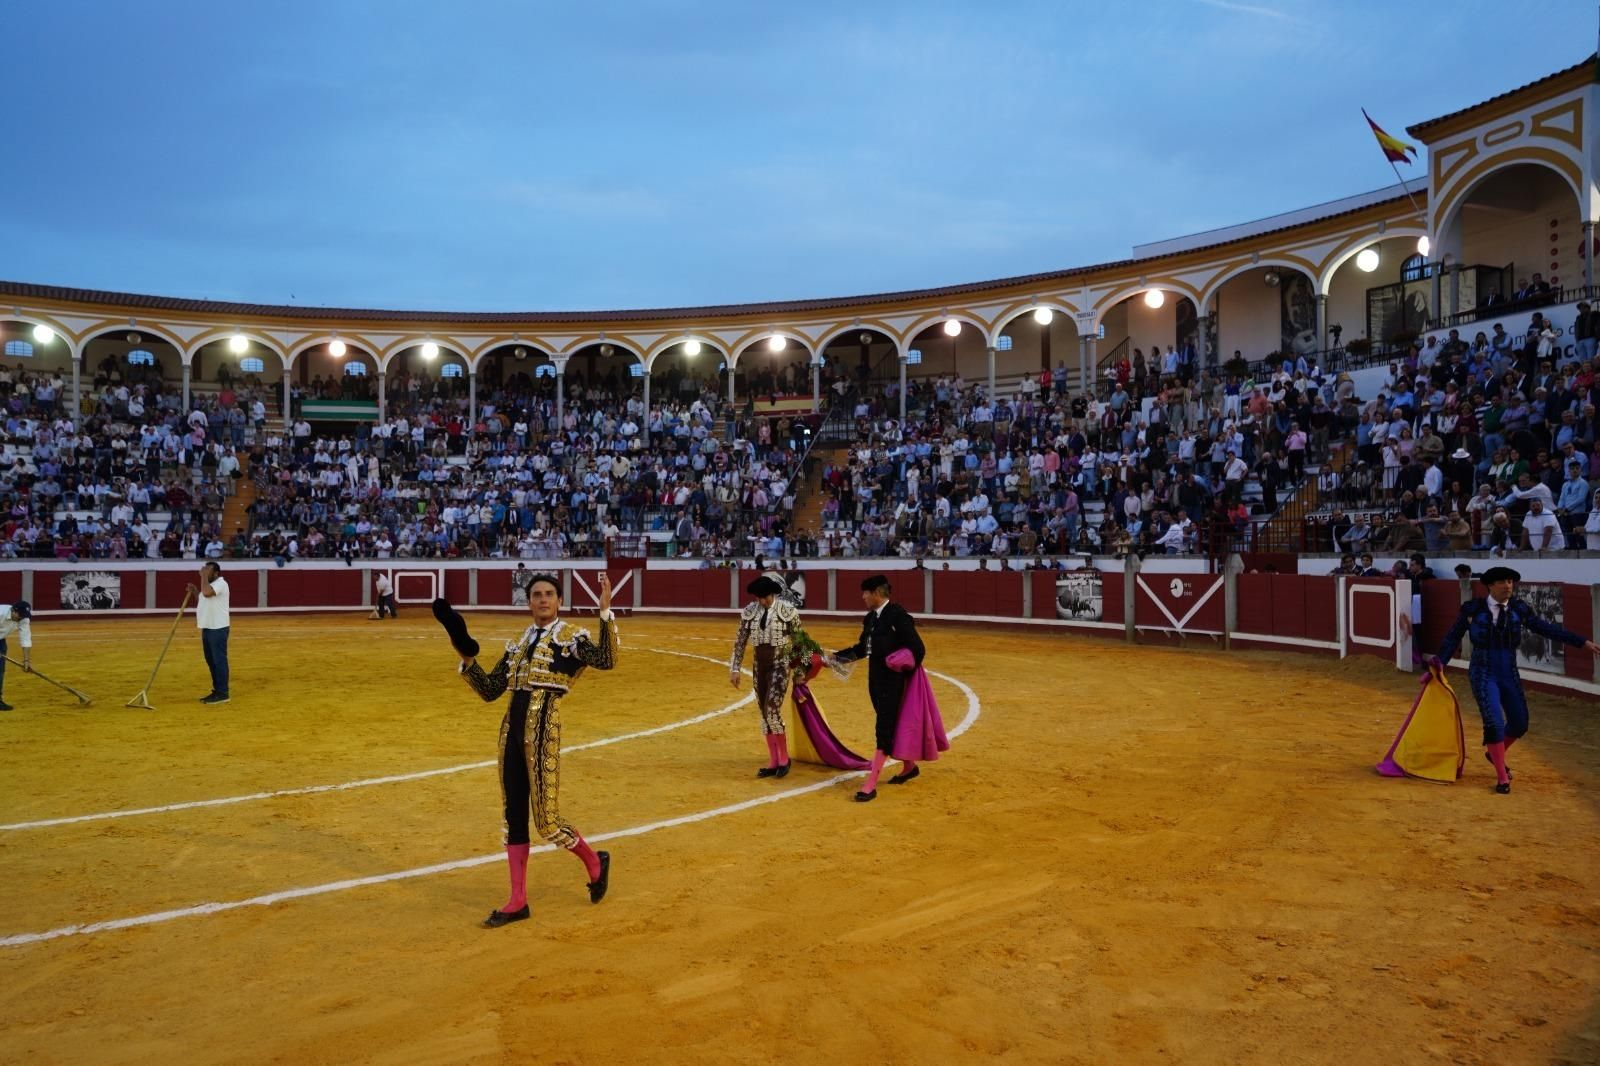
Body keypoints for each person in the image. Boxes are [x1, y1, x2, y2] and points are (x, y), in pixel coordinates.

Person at [456, 572, 616, 927]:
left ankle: (594, 861)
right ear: (528, 602)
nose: (542, 600)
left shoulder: (572, 638)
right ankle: (518, 901)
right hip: (510, 731)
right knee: (513, 814)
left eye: (549, 594)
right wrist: (468, 661)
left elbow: (607, 659)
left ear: (559, 601)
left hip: (543, 728)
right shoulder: (518, 641)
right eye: (536, 595)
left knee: (546, 821)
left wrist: (604, 612)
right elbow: (490, 689)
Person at [1432, 566, 1600, 794]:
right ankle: (1502, 776)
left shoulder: (1519, 609)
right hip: (1482, 670)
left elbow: (1546, 628)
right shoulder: (1473, 609)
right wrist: (1438, 665)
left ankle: (1494, 753)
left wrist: (1582, 642)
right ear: (1490, 585)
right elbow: (1453, 638)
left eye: (1510, 581)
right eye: (1502, 582)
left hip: (1509, 671)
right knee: (1494, 723)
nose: (1508, 586)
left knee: (1520, 723)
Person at [832, 574, 926, 802]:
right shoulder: (870, 619)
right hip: (875, 681)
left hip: (894, 682)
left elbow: (917, 649)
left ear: (876, 593)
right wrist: (835, 658)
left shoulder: (898, 616)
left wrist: (900, 661)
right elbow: (863, 649)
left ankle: (871, 783)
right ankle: (909, 766)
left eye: (865, 593)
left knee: (883, 728)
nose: (863, 597)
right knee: (888, 722)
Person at [728, 575, 800, 778]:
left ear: (773, 594)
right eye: (759, 598)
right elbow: (740, 642)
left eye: (765, 597)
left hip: (780, 665)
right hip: (760, 667)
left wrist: (801, 672)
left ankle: (785, 758)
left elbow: (800, 642)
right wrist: (735, 669)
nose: (762, 602)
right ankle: (774, 760)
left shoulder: (788, 611)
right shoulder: (750, 612)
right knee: (764, 713)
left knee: (772, 710)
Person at [186, 562, 230, 705]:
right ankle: (217, 690)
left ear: (216, 573)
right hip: (208, 627)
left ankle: (223, 692)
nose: (204, 571)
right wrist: (194, 591)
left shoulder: (221, 583)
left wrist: (203, 576)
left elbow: (206, 593)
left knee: (219, 661)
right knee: (211, 661)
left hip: (218, 628)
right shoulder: (211, 585)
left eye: (208, 570)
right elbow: (203, 599)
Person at [0, 600, 33, 712]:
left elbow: (25, 638)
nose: (21, 618)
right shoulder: (1, 613)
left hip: (0, 640)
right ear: (13, 611)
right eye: (20, 615)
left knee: (0, 670)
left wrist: (26, 661)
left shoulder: (23, 618)